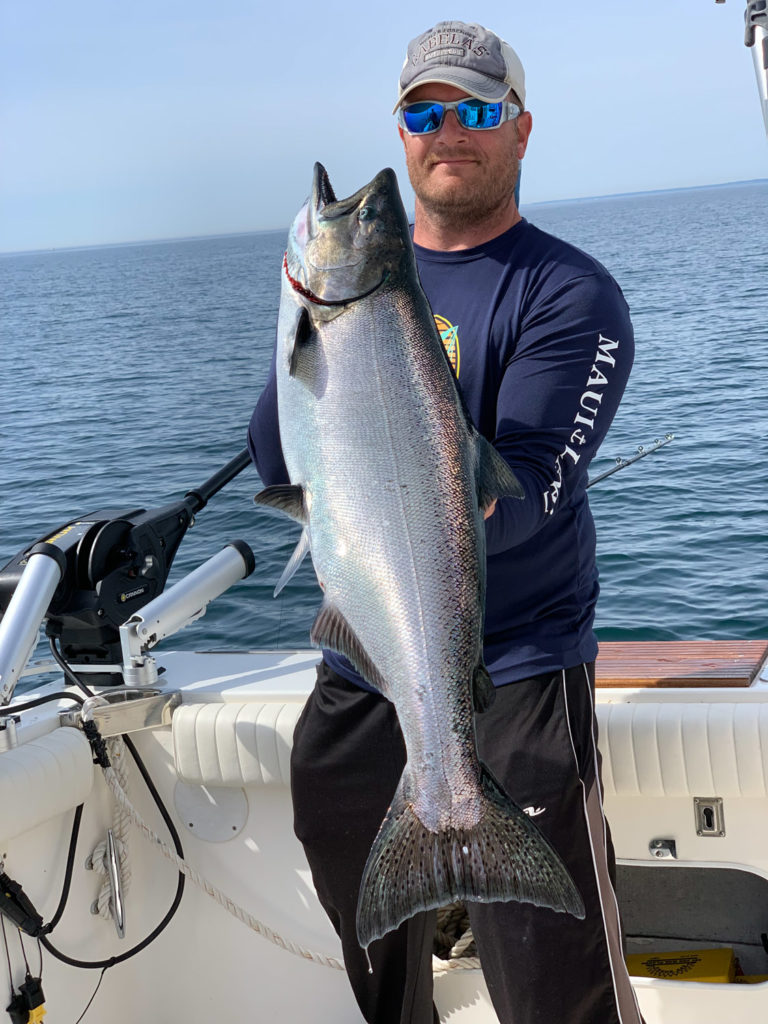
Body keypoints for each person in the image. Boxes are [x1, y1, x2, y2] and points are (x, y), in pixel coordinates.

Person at [248, 19, 643, 1024]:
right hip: (360, 658)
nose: (447, 132)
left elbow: (534, 493)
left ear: (518, 128)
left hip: (514, 666)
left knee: (552, 975)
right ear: (404, 129)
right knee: (363, 916)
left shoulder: (568, 292)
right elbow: (277, 458)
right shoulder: (345, 301)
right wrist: (304, 340)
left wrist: (405, 468)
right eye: (424, 113)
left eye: (473, 110)